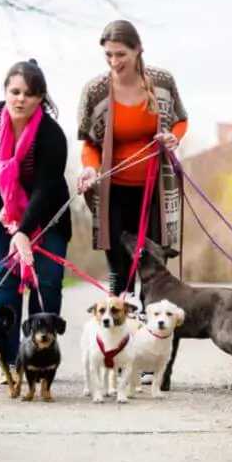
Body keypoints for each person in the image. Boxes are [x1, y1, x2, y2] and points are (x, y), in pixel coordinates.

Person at [76, 20, 188, 384]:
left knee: (153, 274)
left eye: (120, 54)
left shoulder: (162, 82)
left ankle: (151, 358)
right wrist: (89, 170)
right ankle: (116, 352)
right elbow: (89, 144)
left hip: (155, 188)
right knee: (120, 271)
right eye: (108, 55)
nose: (113, 61)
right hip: (113, 190)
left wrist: (171, 136)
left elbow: (181, 122)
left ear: (138, 50)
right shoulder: (95, 90)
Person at [0, 59, 72, 379]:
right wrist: (3, 213)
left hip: (44, 212)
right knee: (3, 279)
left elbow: (46, 187)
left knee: (46, 282)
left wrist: (21, 231)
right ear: (6, 91)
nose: (21, 99)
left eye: (29, 94)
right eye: (15, 91)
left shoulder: (50, 134)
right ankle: (7, 359)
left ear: (41, 98)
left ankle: (41, 360)